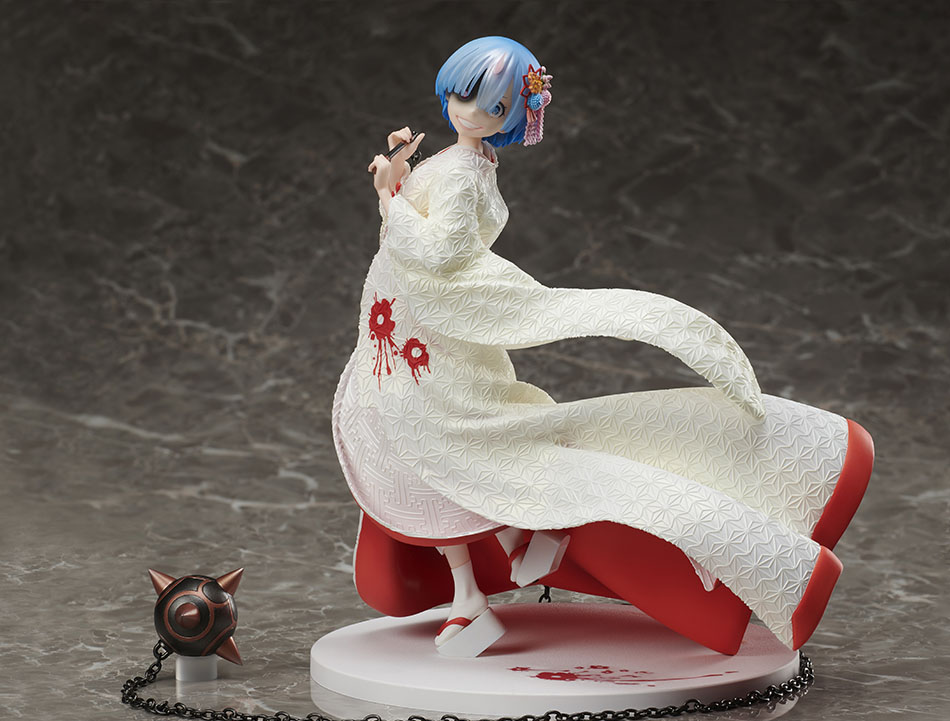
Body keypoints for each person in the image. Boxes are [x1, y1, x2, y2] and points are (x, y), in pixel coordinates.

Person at [332, 36, 874, 658]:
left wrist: (389, 198)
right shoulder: (468, 162)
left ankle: (483, 585)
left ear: (514, 115)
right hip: (412, 332)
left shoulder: (462, 170)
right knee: (441, 452)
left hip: (417, 340)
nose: (471, 111)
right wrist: (401, 179)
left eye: (493, 106)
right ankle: (507, 558)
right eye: (464, 95)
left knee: (438, 451)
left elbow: (442, 252)